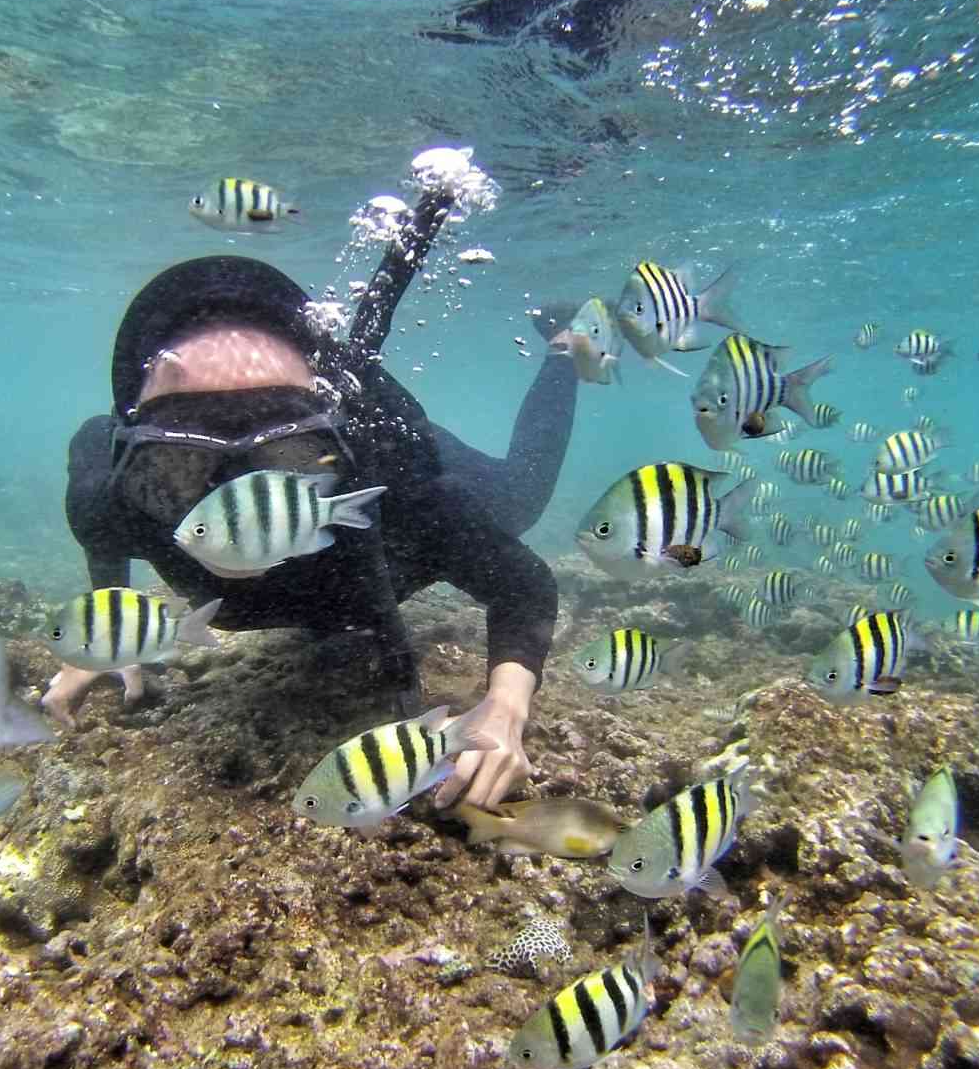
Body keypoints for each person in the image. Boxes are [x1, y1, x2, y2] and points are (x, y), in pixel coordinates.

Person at [42, 187, 578, 809]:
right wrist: (107, 641)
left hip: (400, 469)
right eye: (185, 457)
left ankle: (565, 350)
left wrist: (505, 704)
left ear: (335, 430)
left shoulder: (397, 481)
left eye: (283, 454)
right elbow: (102, 537)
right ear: (135, 449)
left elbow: (524, 585)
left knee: (522, 499)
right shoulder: (111, 493)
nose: (233, 496)